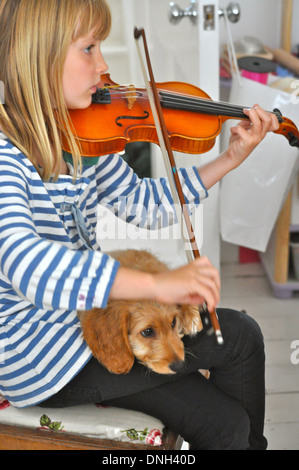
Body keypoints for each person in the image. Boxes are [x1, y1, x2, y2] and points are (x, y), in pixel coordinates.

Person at [0, 0, 279, 450]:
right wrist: (159, 287)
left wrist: (228, 159)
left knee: (243, 336)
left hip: (82, 329)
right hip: (42, 360)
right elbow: (22, 260)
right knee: (224, 425)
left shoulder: (84, 137)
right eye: (88, 49)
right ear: (40, 56)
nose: (104, 65)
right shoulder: (5, 157)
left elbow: (142, 202)